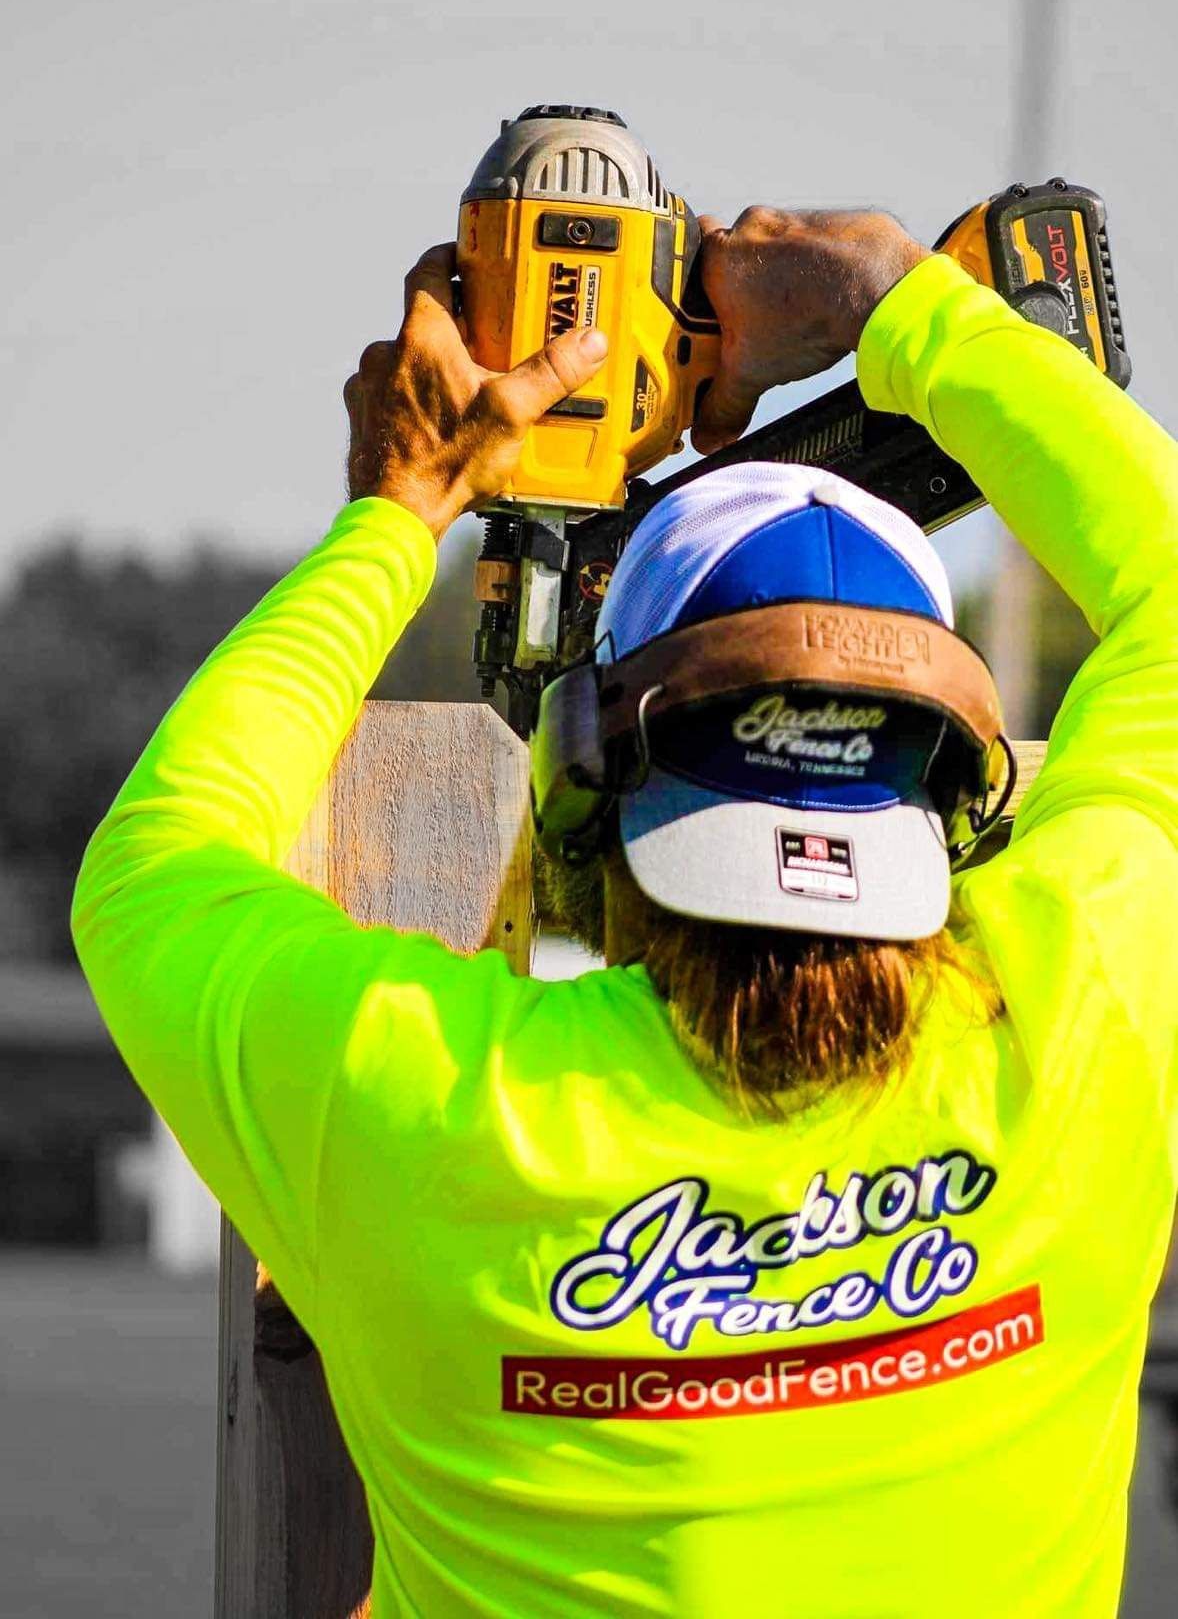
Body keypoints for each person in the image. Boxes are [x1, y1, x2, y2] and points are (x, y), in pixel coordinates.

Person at [72, 206, 1178, 1618]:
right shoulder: (1077, 1014)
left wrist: (398, 509)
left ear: (585, 776)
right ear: (954, 797)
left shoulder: (426, 1092)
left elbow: (157, 859)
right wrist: (895, 302)